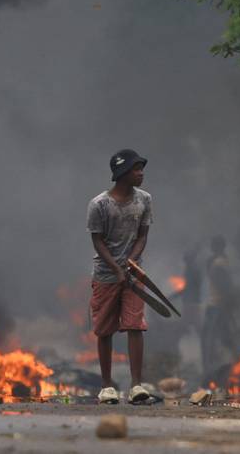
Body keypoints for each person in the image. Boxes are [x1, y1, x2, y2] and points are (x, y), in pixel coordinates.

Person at [87, 149, 153, 405]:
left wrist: (131, 262)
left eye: (141, 169)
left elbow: (143, 235)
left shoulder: (145, 200)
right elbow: (97, 240)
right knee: (105, 330)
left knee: (135, 326)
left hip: (133, 275)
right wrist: (116, 268)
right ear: (123, 174)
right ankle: (107, 387)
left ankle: (137, 386)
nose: (141, 174)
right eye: (136, 170)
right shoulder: (99, 204)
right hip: (105, 274)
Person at [200, 235, 240, 388]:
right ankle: (216, 377)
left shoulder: (217, 262)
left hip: (216, 307)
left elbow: (225, 288)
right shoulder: (219, 263)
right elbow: (225, 288)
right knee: (217, 343)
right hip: (218, 307)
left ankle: (218, 377)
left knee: (214, 343)